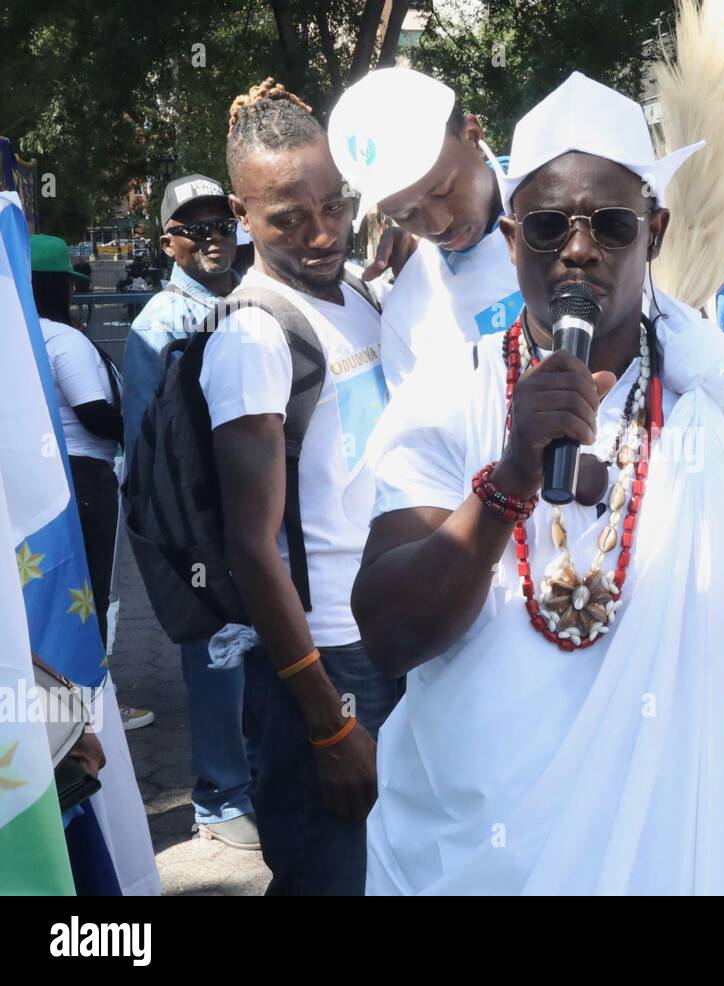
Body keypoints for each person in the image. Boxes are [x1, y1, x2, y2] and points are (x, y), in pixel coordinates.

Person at [351, 72, 724, 895]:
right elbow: (391, 636)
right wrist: (510, 476)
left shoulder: (717, 400)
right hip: (477, 853)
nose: (579, 250)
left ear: (653, 231)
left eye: (611, 225)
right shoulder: (443, 396)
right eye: (547, 228)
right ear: (510, 240)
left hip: (662, 853)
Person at [203, 78, 401, 894]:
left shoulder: (353, 291)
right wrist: (325, 719)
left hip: (394, 635)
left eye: (335, 204)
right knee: (331, 876)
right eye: (287, 217)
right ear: (243, 215)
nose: (322, 233)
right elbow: (252, 547)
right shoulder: (253, 335)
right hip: (327, 664)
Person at [122, 174, 257, 851]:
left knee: (258, 656)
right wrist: (191, 544)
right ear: (168, 241)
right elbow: (154, 450)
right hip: (203, 525)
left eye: (221, 224)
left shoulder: (255, 302)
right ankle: (219, 796)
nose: (212, 238)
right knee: (217, 657)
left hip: (256, 517)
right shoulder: (161, 324)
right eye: (194, 228)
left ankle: (251, 780)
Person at [328, 66, 523, 391]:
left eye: (443, 191)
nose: (438, 225)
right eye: (406, 214)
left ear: (472, 136)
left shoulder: (571, 206)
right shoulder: (410, 312)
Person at [31, 234, 121, 649]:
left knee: (51, 596)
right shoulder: (62, 340)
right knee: (89, 594)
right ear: (59, 286)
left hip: (41, 479)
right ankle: (93, 704)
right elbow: (93, 414)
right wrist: (142, 426)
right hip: (83, 480)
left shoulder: (20, 339)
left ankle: (52, 702)